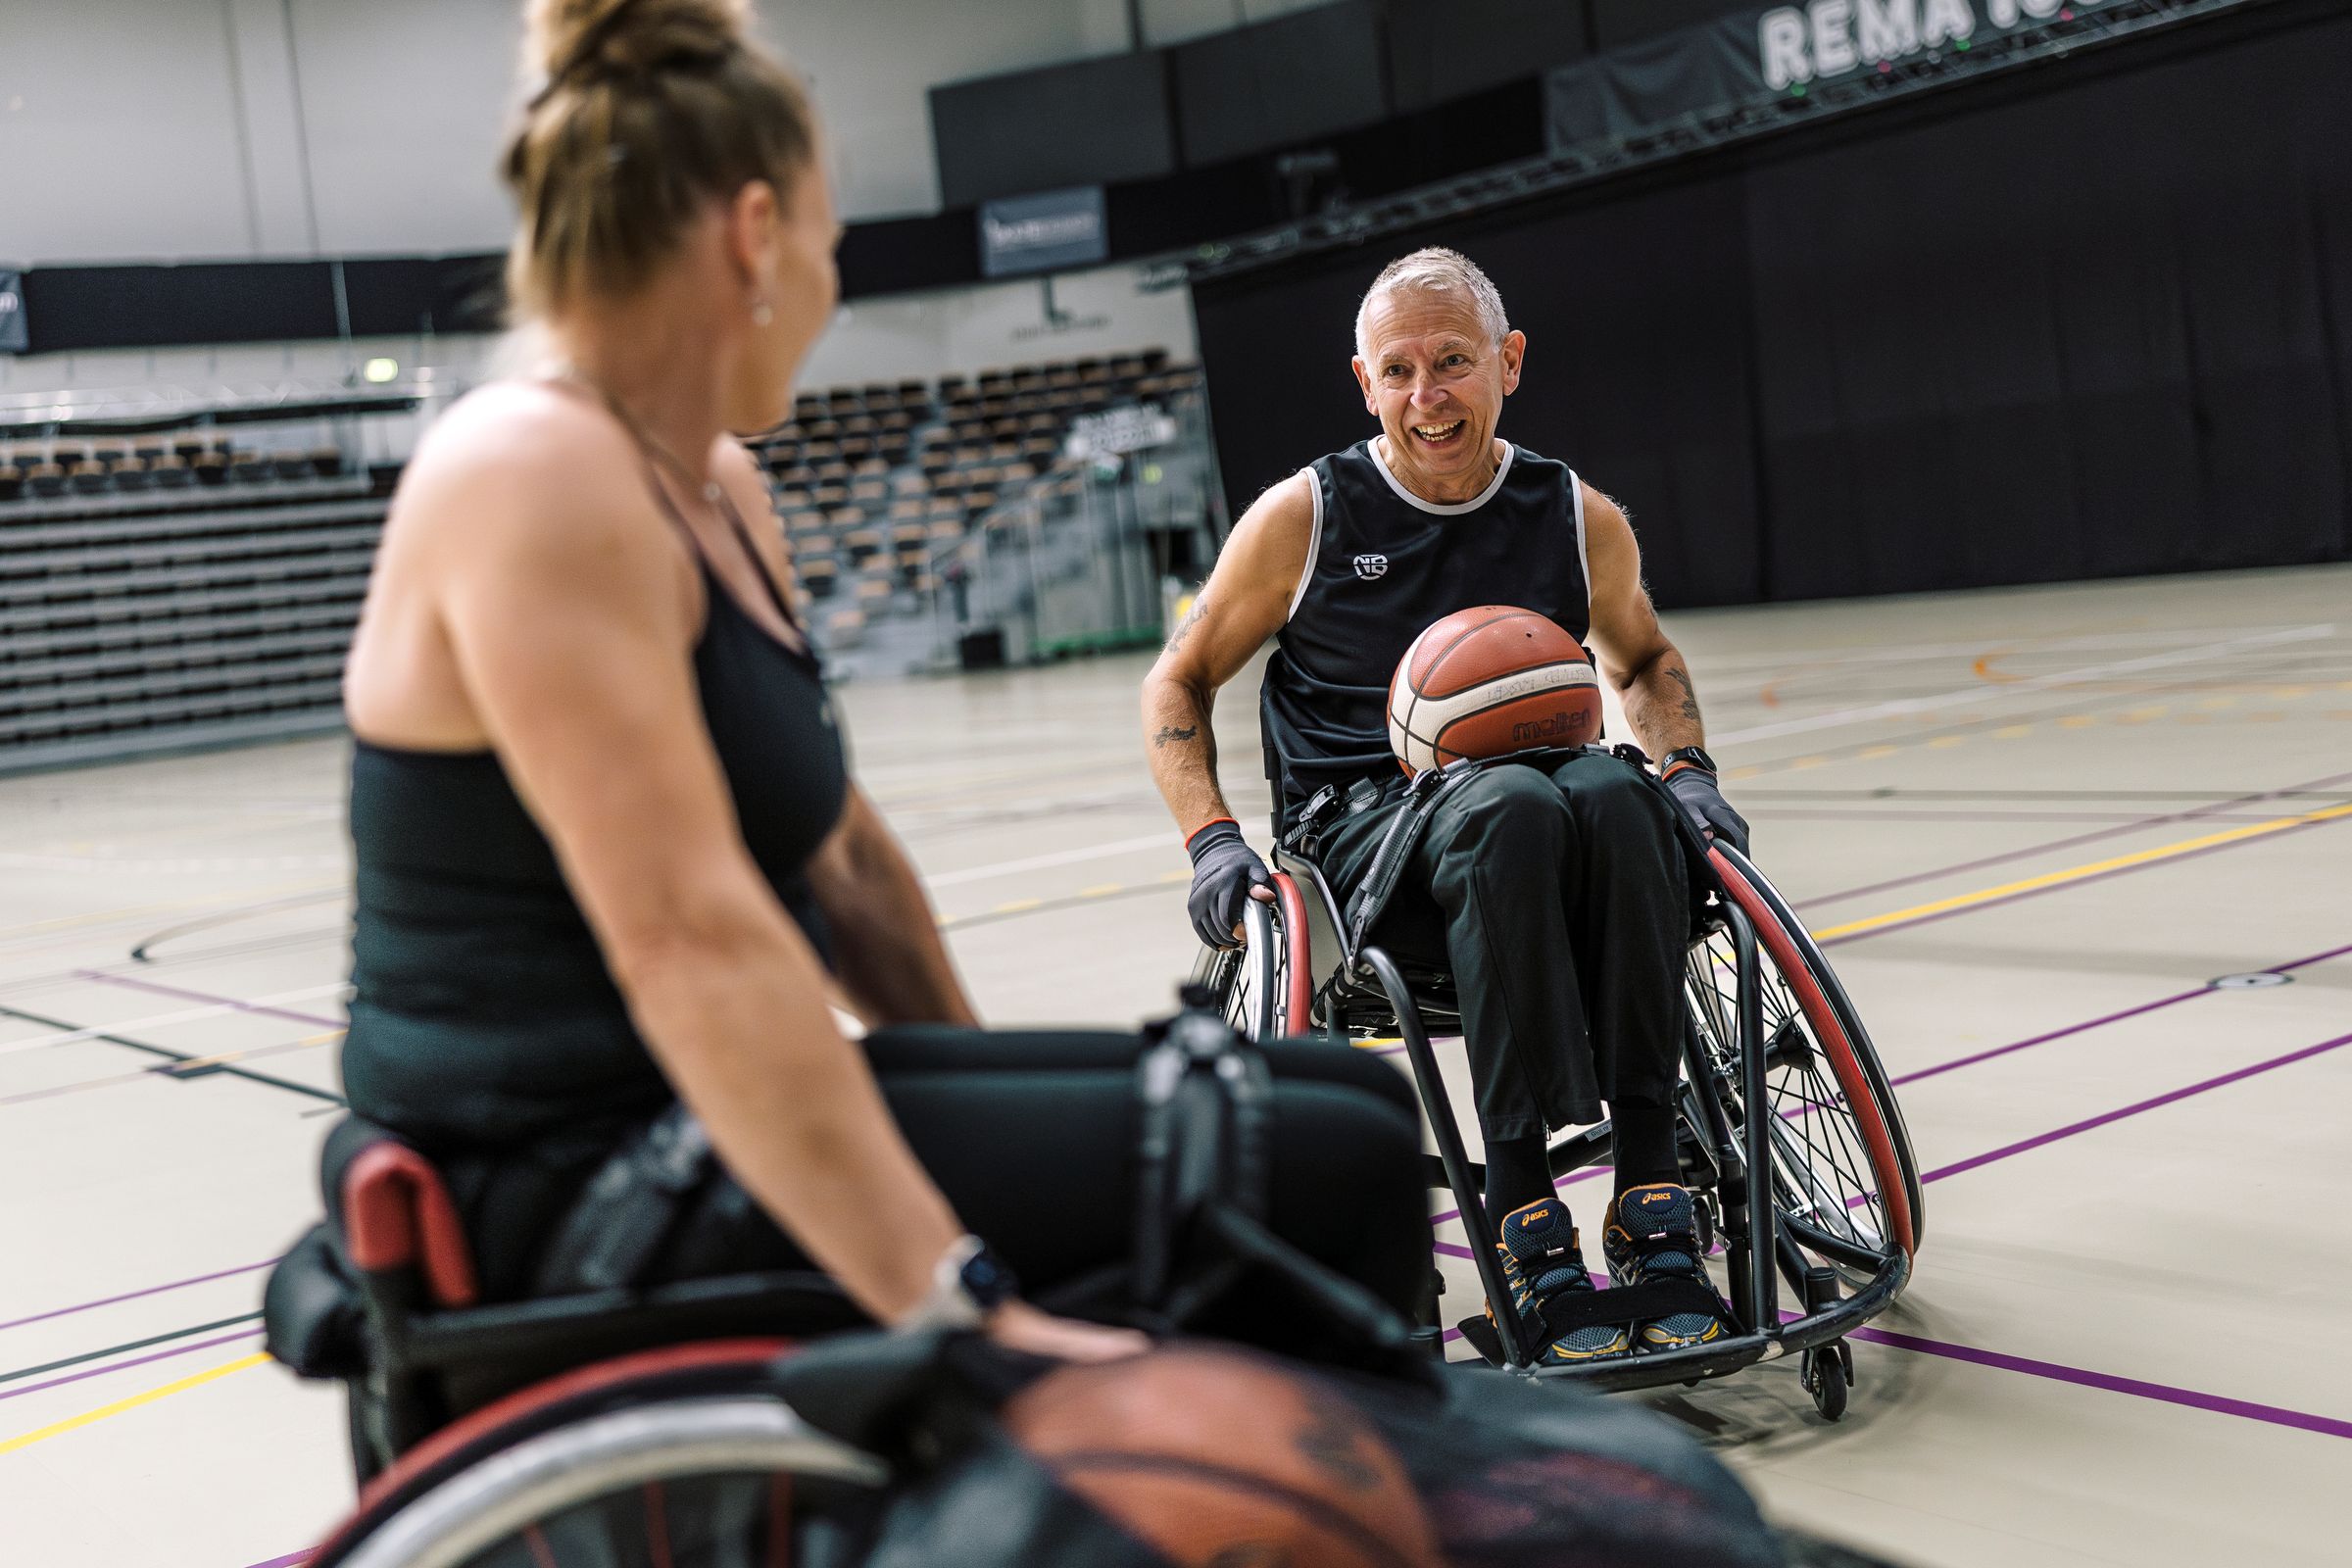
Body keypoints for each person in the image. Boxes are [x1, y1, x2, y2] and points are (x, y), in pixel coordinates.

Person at [318, 0, 1430, 1380]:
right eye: (833, 245)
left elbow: (842, 858)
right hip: (575, 1174)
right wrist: (961, 1294)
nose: (834, 284)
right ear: (754, 236)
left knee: (1343, 1110)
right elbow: (691, 941)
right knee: (1329, 1167)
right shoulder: (532, 477)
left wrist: (1006, 1093)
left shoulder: (714, 485)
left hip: (703, 1114)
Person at [1141, 247, 1748, 1362]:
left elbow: (1646, 657)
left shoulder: (1572, 511)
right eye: (1400, 370)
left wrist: (1689, 771)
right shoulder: (1304, 517)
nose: (1429, 397)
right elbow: (1174, 681)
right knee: (1509, 802)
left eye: (1455, 363)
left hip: (1543, 827)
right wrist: (1214, 841)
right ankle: (1524, 1218)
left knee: (1621, 795)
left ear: (1509, 363)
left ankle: (1655, 1198)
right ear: (1364, 383)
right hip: (1362, 853)